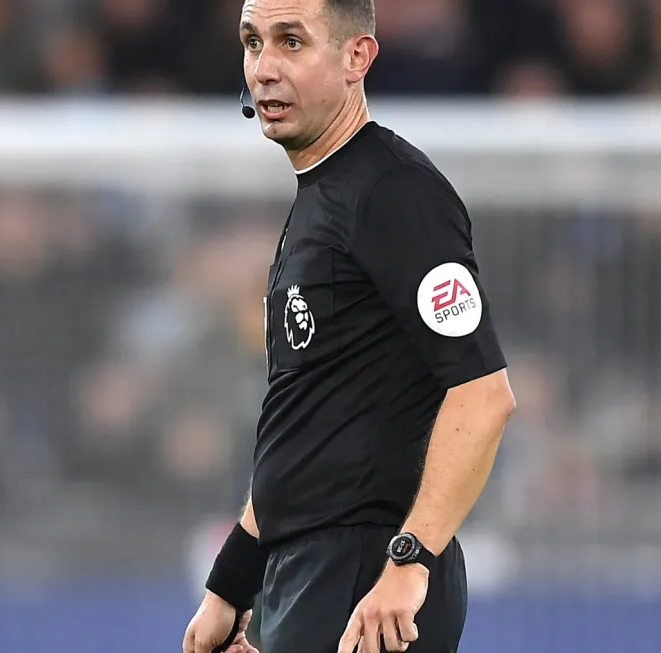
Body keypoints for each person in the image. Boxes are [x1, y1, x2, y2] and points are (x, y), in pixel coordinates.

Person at [182, 1, 516, 652]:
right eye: (253, 43)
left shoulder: (394, 192)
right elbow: (306, 425)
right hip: (308, 573)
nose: (264, 68)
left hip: (367, 577)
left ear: (355, 58)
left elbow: (482, 393)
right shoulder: (320, 201)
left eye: (290, 42)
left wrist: (407, 562)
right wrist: (232, 584)